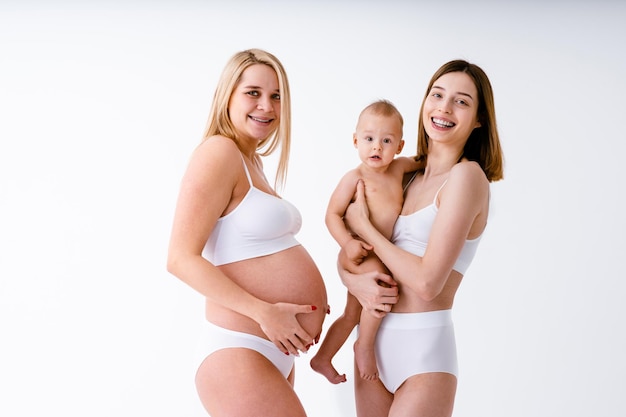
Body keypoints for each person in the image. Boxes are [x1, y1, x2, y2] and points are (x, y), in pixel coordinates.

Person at [166, 49, 328, 417]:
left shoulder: (251, 161)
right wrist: (265, 312)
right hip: (239, 349)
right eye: (253, 93)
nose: (266, 106)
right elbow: (179, 259)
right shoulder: (219, 152)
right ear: (228, 96)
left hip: (270, 351)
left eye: (276, 96)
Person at [338, 59, 504, 417]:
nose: (444, 107)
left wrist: (365, 229)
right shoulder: (402, 175)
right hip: (371, 345)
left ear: (479, 120)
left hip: (423, 352)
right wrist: (351, 278)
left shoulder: (467, 177)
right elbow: (360, 257)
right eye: (437, 95)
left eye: (461, 101)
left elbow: (428, 283)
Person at [310, 100, 420, 384]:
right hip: (358, 251)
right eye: (369, 139)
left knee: (351, 313)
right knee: (382, 284)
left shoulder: (398, 169)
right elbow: (332, 214)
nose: (377, 147)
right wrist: (347, 242)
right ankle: (365, 345)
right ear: (355, 140)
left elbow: (425, 160)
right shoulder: (354, 177)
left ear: (399, 145)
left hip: (377, 252)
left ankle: (322, 358)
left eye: (386, 141)